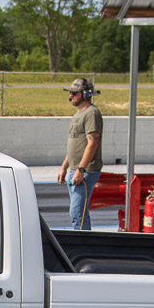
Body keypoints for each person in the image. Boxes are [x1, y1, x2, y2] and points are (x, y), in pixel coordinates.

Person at [57, 78, 103, 230]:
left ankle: (82, 241)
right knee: (77, 213)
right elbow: (75, 145)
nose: (71, 96)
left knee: (77, 214)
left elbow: (92, 143)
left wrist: (81, 169)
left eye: (75, 93)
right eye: (71, 92)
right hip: (75, 170)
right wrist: (64, 167)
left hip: (85, 171)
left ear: (85, 94)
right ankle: (84, 239)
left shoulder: (91, 113)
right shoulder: (78, 114)